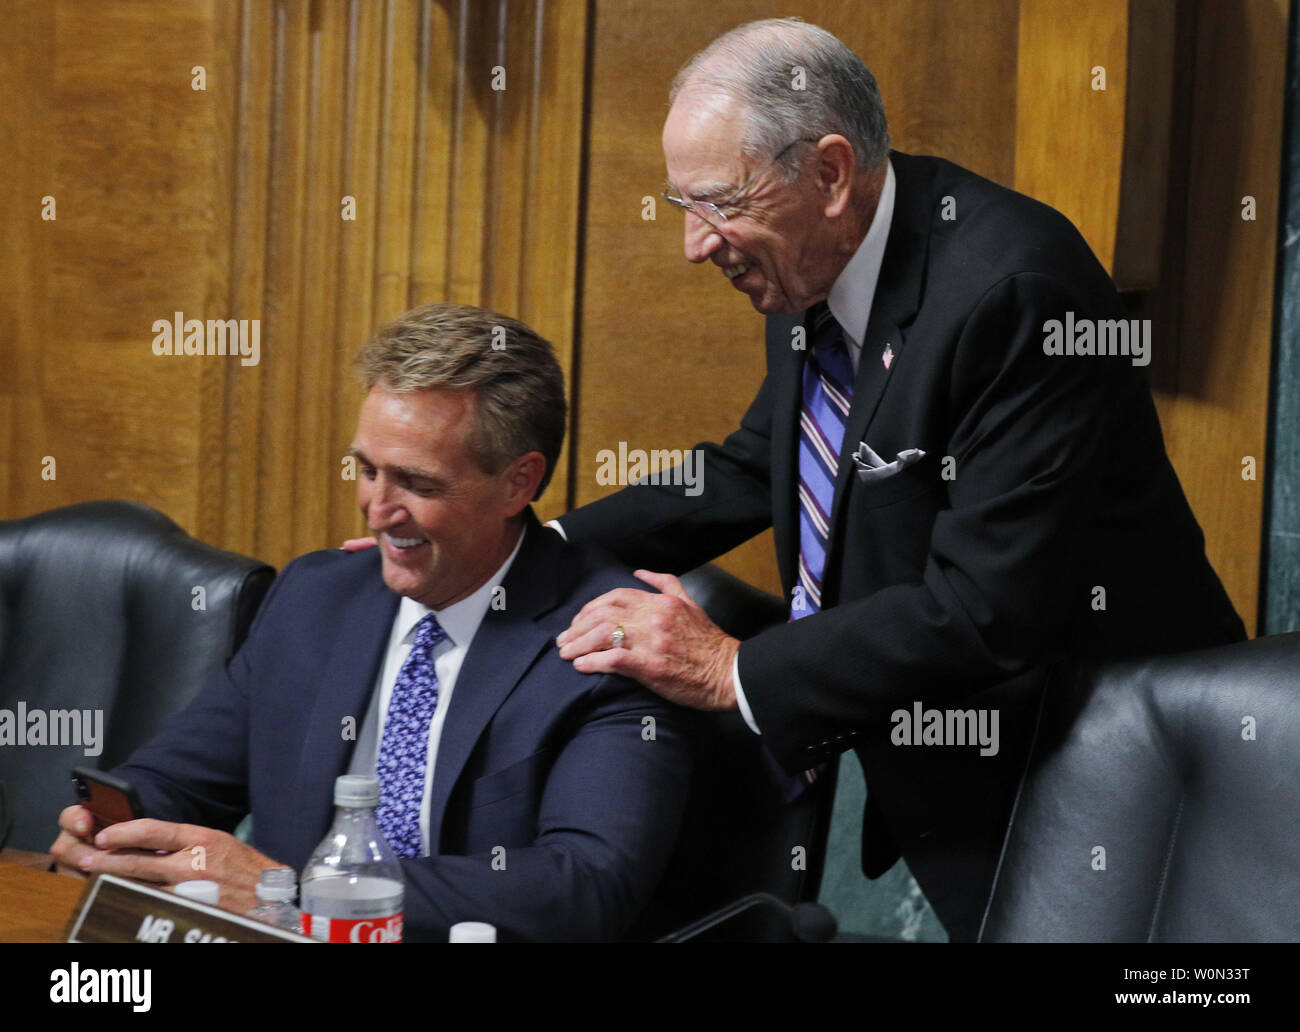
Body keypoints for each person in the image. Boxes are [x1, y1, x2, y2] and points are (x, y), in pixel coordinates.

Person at [550, 18, 1245, 941]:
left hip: (1097, 778)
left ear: (830, 174)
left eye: (716, 202)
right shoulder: (808, 264)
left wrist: (732, 666)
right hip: (955, 765)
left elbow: (985, 608)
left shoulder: (1014, 290)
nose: (693, 243)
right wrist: (532, 547)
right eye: (680, 202)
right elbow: (758, 461)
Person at [50, 303, 693, 942]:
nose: (378, 510)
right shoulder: (317, 597)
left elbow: (585, 886)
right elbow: (178, 779)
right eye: (366, 469)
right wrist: (113, 831)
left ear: (518, 483)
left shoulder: (615, 635)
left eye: (416, 482)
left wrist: (306, 894)